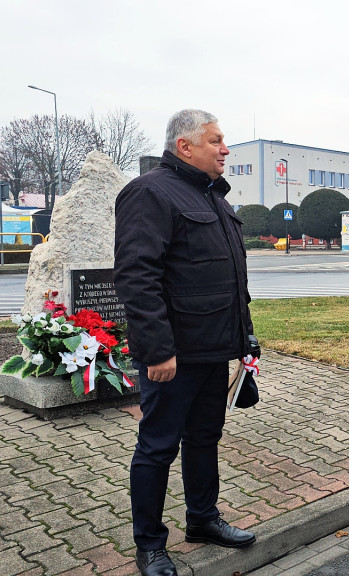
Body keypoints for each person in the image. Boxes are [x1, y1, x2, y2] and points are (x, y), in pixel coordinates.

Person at [115, 110, 257, 576]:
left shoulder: (214, 197)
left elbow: (230, 278)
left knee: (204, 439)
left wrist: (245, 341)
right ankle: (151, 546)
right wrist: (156, 350)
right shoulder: (149, 192)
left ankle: (202, 519)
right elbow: (138, 277)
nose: (225, 149)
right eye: (216, 140)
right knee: (158, 447)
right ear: (185, 146)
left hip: (213, 349)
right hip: (173, 356)